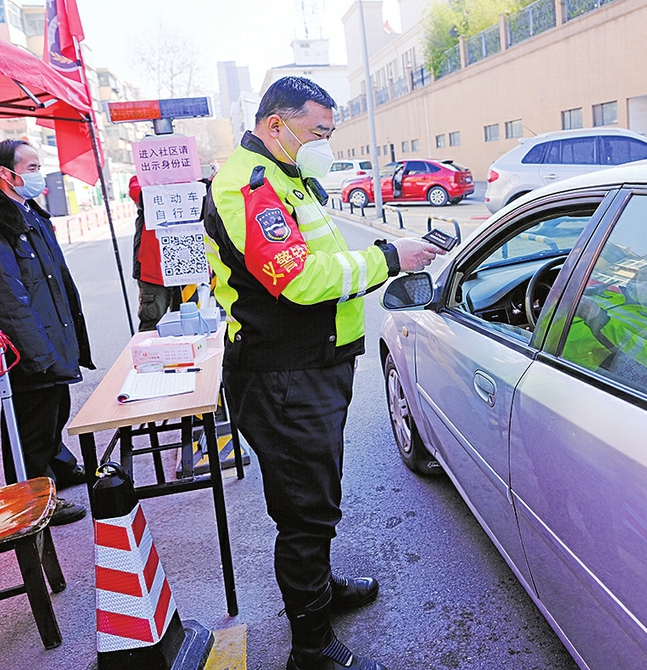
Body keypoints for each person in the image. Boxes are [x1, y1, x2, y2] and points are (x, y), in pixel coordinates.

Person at [203, 76, 443, 670]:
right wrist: (391, 258)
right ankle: (310, 648)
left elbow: (322, 257)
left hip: (311, 367)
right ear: (276, 123)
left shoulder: (288, 176)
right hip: (283, 375)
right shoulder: (248, 186)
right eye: (318, 132)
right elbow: (301, 279)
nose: (325, 145)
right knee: (304, 511)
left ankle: (320, 590)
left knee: (315, 497)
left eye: (330, 134)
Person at [0, 139, 94, 524]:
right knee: (32, 427)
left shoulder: (33, 215)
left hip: (52, 336)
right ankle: (37, 498)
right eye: (32, 167)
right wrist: (39, 353)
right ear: (7, 174)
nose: (39, 175)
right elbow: (9, 297)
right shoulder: (4, 223)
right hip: (28, 349)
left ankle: (60, 467)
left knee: (56, 412)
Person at [564, 263, 647, 387]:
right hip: (546, 347)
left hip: (577, 373)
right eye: (641, 275)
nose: (644, 282)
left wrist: (599, 320)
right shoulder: (604, 292)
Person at [129, 175, 182, 331]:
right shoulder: (141, 179)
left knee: (189, 327)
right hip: (153, 272)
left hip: (187, 271)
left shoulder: (192, 177)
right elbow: (140, 195)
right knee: (152, 325)